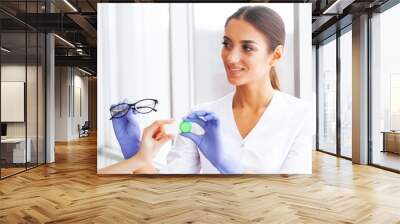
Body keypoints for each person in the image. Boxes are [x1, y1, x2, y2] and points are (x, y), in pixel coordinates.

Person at [98, 5, 314, 175]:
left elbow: (290, 198)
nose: (230, 57)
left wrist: (227, 165)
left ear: (275, 55)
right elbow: (171, 190)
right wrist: (135, 153)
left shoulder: (299, 115)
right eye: (227, 44)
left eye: (247, 48)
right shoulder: (200, 117)